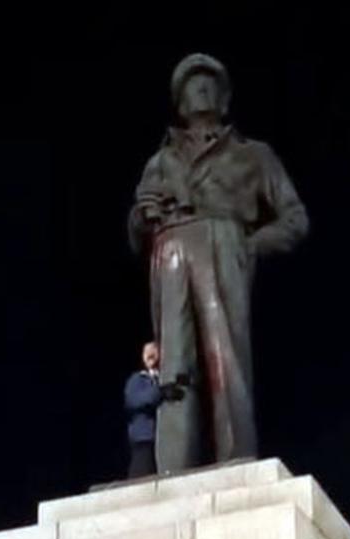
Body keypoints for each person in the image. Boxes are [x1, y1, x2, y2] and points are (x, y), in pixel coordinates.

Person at [127, 53, 308, 472]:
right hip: (169, 249)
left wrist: (248, 246)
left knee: (226, 361)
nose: (201, 89)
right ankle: (172, 466)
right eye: (192, 83)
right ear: (180, 100)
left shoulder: (253, 156)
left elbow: (295, 219)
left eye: (210, 82)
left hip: (225, 245)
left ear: (225, 100)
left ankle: (236, 459)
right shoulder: (161, 161)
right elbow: (134, 230)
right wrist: (141, 217)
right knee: (175, 370)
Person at [124, 342, 185, 478]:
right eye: (146, 352)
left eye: (154, 350)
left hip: (168, 439)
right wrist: (160, 392)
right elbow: (134, 400)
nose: (150, 354)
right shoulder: (137, 379)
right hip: (145, 440)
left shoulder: (167, 377)